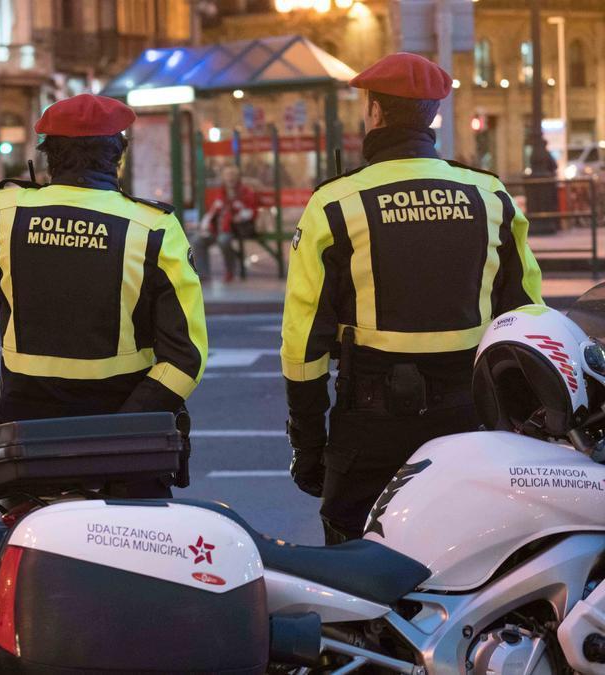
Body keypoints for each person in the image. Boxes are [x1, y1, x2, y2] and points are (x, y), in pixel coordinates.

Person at [280, 53, 544, 544]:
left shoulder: (336, 202)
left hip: (371, 424)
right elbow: (525, 314)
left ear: (375, 113)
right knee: (467, 556)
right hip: (470, 420)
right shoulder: (490, 195)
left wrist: (309, 442)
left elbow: (303, 342)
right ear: (432, 116)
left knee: (355, 571)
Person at [0, 93, 208, 497]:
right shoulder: (153, 227)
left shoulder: (1, 212)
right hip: (122, 438)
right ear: (119, 155)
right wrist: (123, 427)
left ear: (47, 156)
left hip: (26, 433)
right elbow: (186, 359)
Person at [195, 165, 256, 282]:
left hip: (234, 229)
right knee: (197, 241)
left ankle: (230, 271)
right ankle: (203, 274)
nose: (230, 178)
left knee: (223, 241)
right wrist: (205, 225)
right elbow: (212, 212)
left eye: (233, 175)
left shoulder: (245, 192)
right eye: (227, 175)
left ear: (238, 177)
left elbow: (251, 211)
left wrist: (240, 215)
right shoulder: (220, 192)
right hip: (216, 229)